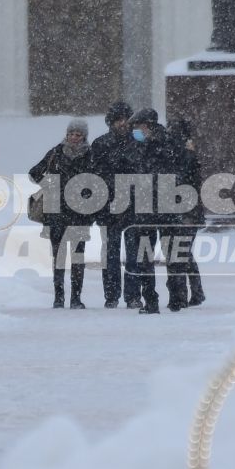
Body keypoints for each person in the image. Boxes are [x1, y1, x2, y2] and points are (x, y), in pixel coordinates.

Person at [28, 118, 96, 308]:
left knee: (77, 256)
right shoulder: (56, 152)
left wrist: (86, 193)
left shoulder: (91, 155)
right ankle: (59, 297)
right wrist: (50, 184)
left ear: (84, 137)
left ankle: (76, 298)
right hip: (56, 212)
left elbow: (97, 181)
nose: (73, 138)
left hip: (80, 212)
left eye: (78, 134)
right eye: (71, 134)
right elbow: (34, 172)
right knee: (58, 256)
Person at [124, 108, 179, 314]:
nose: (135, 131)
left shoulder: (150, 146)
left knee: (146, 256)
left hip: (150, 206)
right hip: (165, 207)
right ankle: (175, 298)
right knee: (170, 253)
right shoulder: (170, 143)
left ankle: (153, 301)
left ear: (147, 125)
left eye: (137, 126)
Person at [89, 101, 136, 308]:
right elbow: (93, 177)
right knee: (111, 253)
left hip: (134, 205)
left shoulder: (137, 142)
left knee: (133, 252)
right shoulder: (101, 144)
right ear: (112, 122)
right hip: (109, 206)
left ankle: (132, 295)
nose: (123, 123)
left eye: (126, 119)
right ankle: (112, 295)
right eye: (119, 120)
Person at [166, 117, 206, 310]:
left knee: (181, 252)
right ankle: (196, 292)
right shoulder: (186, 154)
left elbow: (184, 182)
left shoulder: (185, 156)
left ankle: (186, 294)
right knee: (183, 252)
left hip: (186, 210)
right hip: (186, 210)